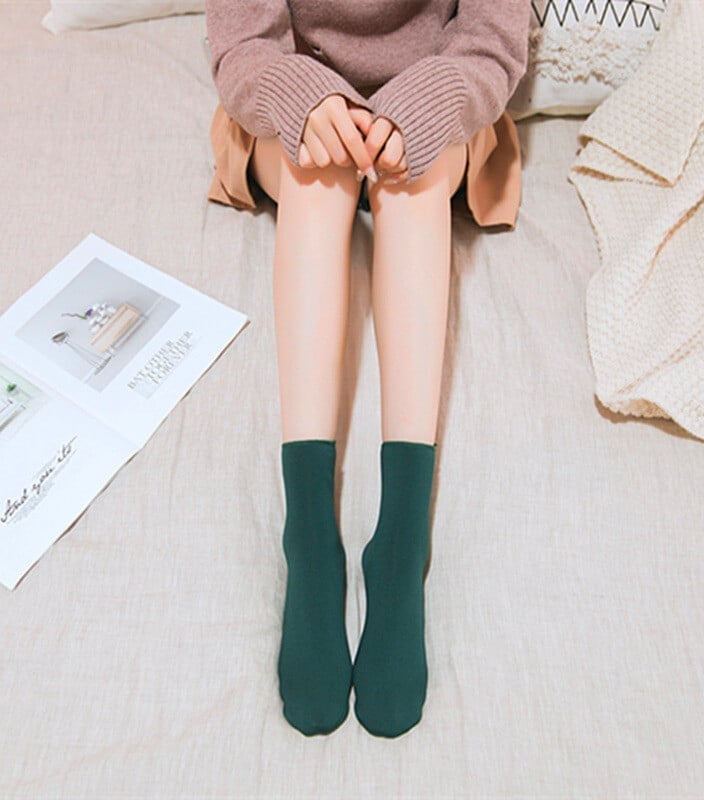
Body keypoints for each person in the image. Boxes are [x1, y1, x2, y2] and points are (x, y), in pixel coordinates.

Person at [205, 0, 530, 739]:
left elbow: (495, 32)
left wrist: (431, 96)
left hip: (441, 98)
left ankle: (402, 539)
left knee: (413, 188)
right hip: (289, 100)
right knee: (315, 181)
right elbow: (241, 41)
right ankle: (310, 534)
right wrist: (303, 96)